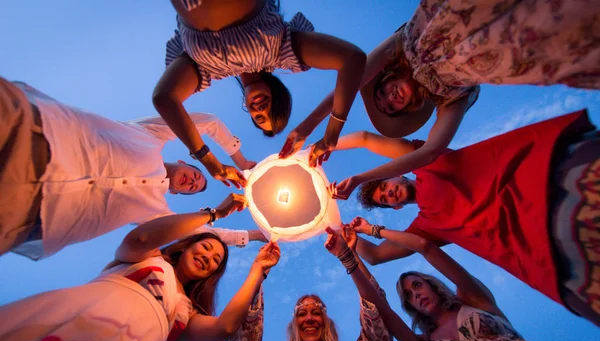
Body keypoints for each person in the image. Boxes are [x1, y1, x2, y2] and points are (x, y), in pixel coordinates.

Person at [297, 0, 598, 198]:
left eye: (383, 93)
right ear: (407, 110)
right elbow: (429, 152)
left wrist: (313, 128)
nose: (390, 98)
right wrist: (360, 178)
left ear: (386, 78)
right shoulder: (450, 98)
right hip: (517, 43)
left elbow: (355, 77)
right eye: (391, 108)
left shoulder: (401, 47)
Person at [0, 192, 282, 341]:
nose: (208, 257)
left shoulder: (185, 314)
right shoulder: (145, 257)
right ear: (184, 247)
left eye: (215, 261)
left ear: (211, 276)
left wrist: (258, 268)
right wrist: (214, 215)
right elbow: (141, 238)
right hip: (78, 315)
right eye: (205, 248)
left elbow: (225, 328)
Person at [334, 111, 600, 326]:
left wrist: (327, 144)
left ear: (398, 173)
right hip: (542, 243)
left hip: (546, 182)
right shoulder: (428, 226)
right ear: (397, 208)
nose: (388, 193)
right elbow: (377, 256)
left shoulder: (428, 160)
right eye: (385, 199)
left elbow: (366, 138)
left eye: (384, 186)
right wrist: (343, 231)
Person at [0, 78, 262, 260]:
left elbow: (199, 231)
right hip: (32, 132)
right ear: (184, 161)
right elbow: (208, 123)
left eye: (193, 187)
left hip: (28, 215)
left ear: (176, 194)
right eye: (197, 175)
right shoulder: (151, 136)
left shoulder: (154, 211)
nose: (193, 181)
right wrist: (239, 160)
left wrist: (250, 234)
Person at [332, 221, 600, 341]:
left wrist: (373, 230)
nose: (416, 294)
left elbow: (425, 246)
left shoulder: (475, 300)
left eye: (418, 285)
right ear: (411, 306)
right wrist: (349, 256)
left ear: (432, 286)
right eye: (410, 296)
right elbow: (382, 308)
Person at [154, 0, 367, 173]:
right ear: (278, 95)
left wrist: (209, 161)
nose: (261, 109)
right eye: (271, 111)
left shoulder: (207, 71)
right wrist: (332, 132)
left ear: (247, 109)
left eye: (259, 117)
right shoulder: (282, 51)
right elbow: (352, 58)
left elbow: (164, 98)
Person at [227, 227, 392, 341]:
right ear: (293, 327)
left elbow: (379, 332)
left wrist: (349, 257)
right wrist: (259, 272)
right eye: (301, 314)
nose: (309, 318)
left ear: (327, 323)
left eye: (316, 312)